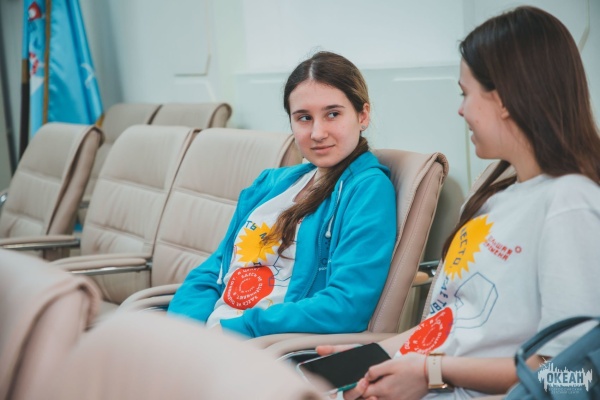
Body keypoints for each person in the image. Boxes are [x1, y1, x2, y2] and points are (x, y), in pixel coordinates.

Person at [316, 6, 600, 400]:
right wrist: (374, 358)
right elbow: (452, 321)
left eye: (466, 93)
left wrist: (431, 371)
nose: (460, 109)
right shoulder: (499, 192)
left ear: (504, 99)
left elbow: (573, 376)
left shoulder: (571, 204)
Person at [167, 51, 397, 339]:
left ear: (363, 115)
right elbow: (215, 270)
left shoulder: (367, 190)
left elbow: (345, 305)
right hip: (211, 338)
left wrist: (233, 331)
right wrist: (185, 332)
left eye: (333, 114)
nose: (317, 133)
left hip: (269, 346)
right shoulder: (271, 184)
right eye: (304, 118)